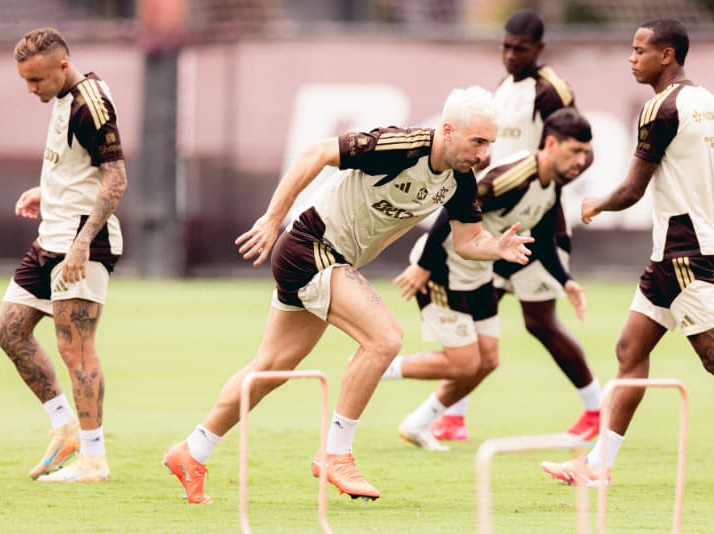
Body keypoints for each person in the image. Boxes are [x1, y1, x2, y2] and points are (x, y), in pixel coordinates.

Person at [163, 86, 535, 504]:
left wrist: (496, 247)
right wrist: (272, 219)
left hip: (329, 260)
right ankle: (336, 454)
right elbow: (317, 153)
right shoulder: (402, 145)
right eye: (479, 142)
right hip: (310, 246)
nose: (485, 154)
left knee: (270, 367)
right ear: (447, 130)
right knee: (385, 338)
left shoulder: (461, 181)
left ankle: (192, 451)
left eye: (490, 144)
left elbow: (469, 241)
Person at [541, 18, 714, 492]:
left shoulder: (660, 109)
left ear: (667, 55)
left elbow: (632, 189)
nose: (631, 57)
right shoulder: (713, 104)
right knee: (630, 350)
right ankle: (598, 465)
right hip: (676, 252)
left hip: (683, 253)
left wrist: (596, 203)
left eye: (639, 49)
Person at [425, 8, 603, 442]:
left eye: (518, 48)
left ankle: (596, 411)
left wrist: (547, 209)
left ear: (539, 48)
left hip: (538, 227)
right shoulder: (505, 87)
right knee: (475, 314)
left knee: (539, 322)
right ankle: (453, 415)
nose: (508, 55)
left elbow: (579, 148)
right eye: (504, 46)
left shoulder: (552, 91)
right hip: (498, 225)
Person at [387, 108, 594, 451]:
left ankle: (418, 423)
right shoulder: (512, 176)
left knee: (487, 362)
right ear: (551, 143)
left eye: (585, 153)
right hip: (443, 266)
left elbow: (541, 238)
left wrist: (566, 280)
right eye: (575, 151)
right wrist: (424, 264)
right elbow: (457, 204)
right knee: (465, 363)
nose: (581, 160)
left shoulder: (551, 185)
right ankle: (383, 365)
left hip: (479, 272)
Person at [0, 28, 127, 482]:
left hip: (81, 244)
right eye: (25, 81)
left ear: (62, 67)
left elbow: (115, 179)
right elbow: (76, 168)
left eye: (37, 80)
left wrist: (81, 242)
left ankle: (93, 458)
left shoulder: (90, 105)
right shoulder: (61, 97)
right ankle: (64, 426)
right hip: (51, 235)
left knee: (76, 349)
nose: (31, 90)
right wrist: (47, 192)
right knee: (9, 329)